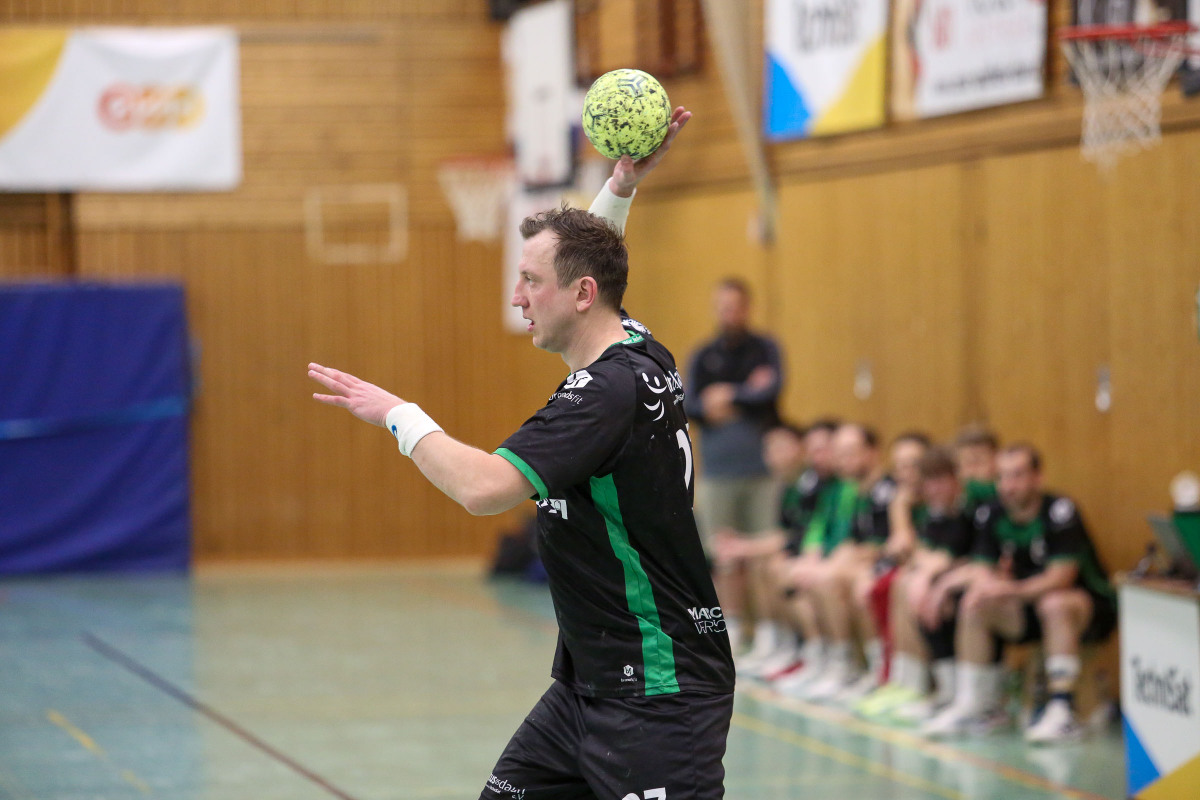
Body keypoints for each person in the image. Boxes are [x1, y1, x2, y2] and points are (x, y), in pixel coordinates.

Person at [310, 107, 737, 798]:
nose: (518, 299)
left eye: (531, 282)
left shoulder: (603, 396)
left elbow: (483, 488)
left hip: (659, 692)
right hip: (588, 685)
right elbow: (593, 270)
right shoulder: (635, 342)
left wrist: (398, 415)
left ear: (581, 295)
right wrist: (620, 186)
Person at [920, 443, 1118, 744]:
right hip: (1028, 605)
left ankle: (1063, 711)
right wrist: (983, 587)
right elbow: (982, 567)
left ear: (1038, 477)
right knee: (975, 604)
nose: (1008, 486)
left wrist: (1008, 589)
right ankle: (977, 705)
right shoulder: (992, 512)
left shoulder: (1060, 511)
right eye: (1002, 477)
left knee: (1054, 604)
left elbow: (1060, 578)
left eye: (1017, 476)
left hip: (1086, 608)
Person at [684, 276, 784, 655]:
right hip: (718, 473)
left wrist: (729, 395)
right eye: (723, 307)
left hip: (761, 472)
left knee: (763, 556)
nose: (730, 313)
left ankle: (771, 633)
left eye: (736, 306)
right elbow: (690, 404)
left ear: (747, 308)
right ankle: (734, 630)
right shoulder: (703, 355)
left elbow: (771, 390)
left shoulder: (765, 348)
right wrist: (740, 395)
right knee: (724, 555)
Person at [856, 445, 975, 723]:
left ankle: (931, 688)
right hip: (940, 580)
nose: (933, 488)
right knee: (903, 583)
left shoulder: (967, 509)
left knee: (915, 588)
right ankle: (906, 680)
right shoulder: (934, 510)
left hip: (967, 586)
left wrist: (927, 573)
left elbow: (937, 554)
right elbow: (919, 552)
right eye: (929, 481)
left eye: (940, 480)